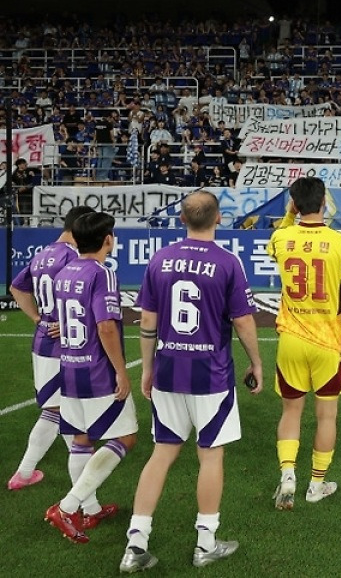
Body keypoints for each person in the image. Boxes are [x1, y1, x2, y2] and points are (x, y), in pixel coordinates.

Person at [119, 192, 264, 572]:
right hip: (211, 375)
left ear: (182, 219)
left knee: (162, 453)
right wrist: (256, 362)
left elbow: (147, 322)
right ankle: (205, 542)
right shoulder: (227, 261)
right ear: (218, 218)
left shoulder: (160, 259)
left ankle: (135, 543)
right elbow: (243, 320)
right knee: (210, 454)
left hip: (168, 370)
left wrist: (147, 368)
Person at [266, 177, 341, 509]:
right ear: (324, 202)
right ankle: (316, 485)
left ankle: (287, 476)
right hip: (328, 341)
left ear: (294, 205)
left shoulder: (281, 237)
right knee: (326, 416)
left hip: (291, 339)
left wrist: (289, 216)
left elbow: (275, 240)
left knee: (291, 411)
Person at [44, 212, 138, 544]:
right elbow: (105, 326)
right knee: (126, 437)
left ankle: (90, 510)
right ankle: (68, 507)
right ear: (108, 240)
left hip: (69, 367)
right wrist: (121, 371)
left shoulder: (64, 271)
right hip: (97, 371)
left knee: (82, 440)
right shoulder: (102, 273)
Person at [8, 205, 95, 491]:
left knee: (55, 410)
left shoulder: (42, 254)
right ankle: (84, 491)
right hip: (65, 344)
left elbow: (16, 288)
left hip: (43, 341)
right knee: (67, 412)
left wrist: (37, 318)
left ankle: (25, 473)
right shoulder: (73, 257)